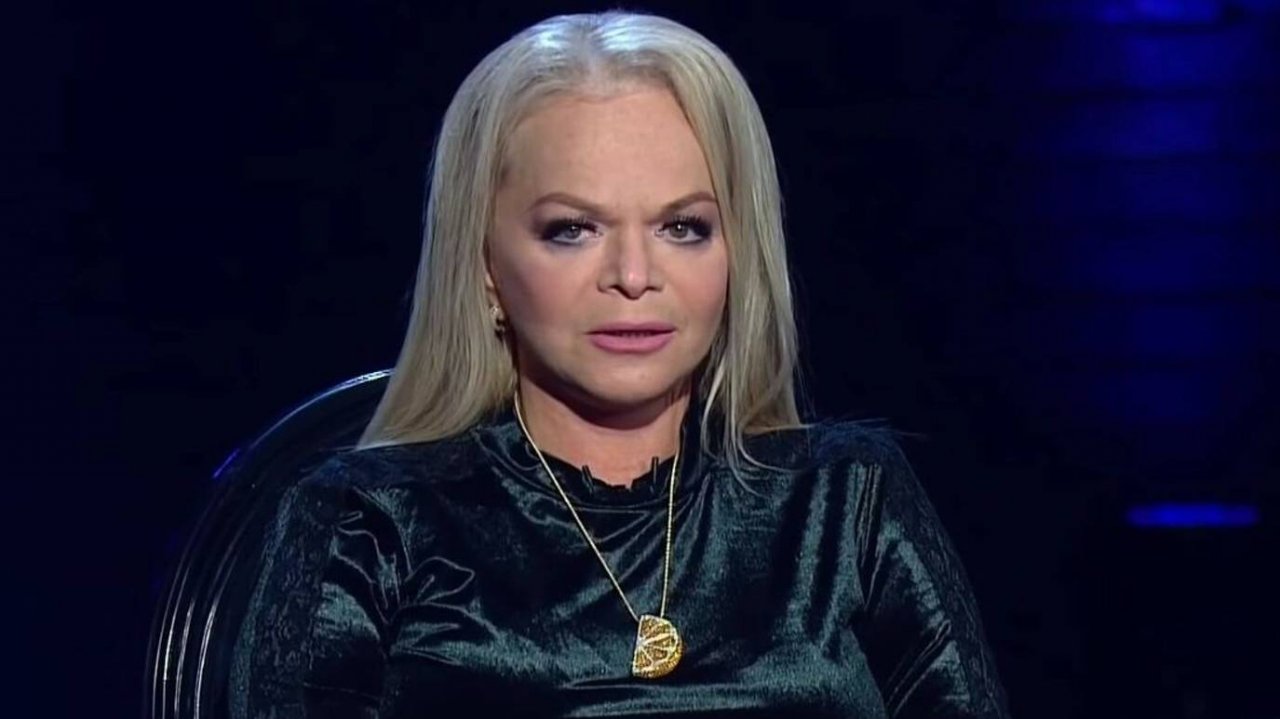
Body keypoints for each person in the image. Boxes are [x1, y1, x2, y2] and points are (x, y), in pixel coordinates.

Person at [231, 10, 1011, 718]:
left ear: (738, 251)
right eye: (573, 229)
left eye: (683, 226)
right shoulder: (369, 522)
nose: (634, 276)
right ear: (485, 264)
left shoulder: (849, 501)